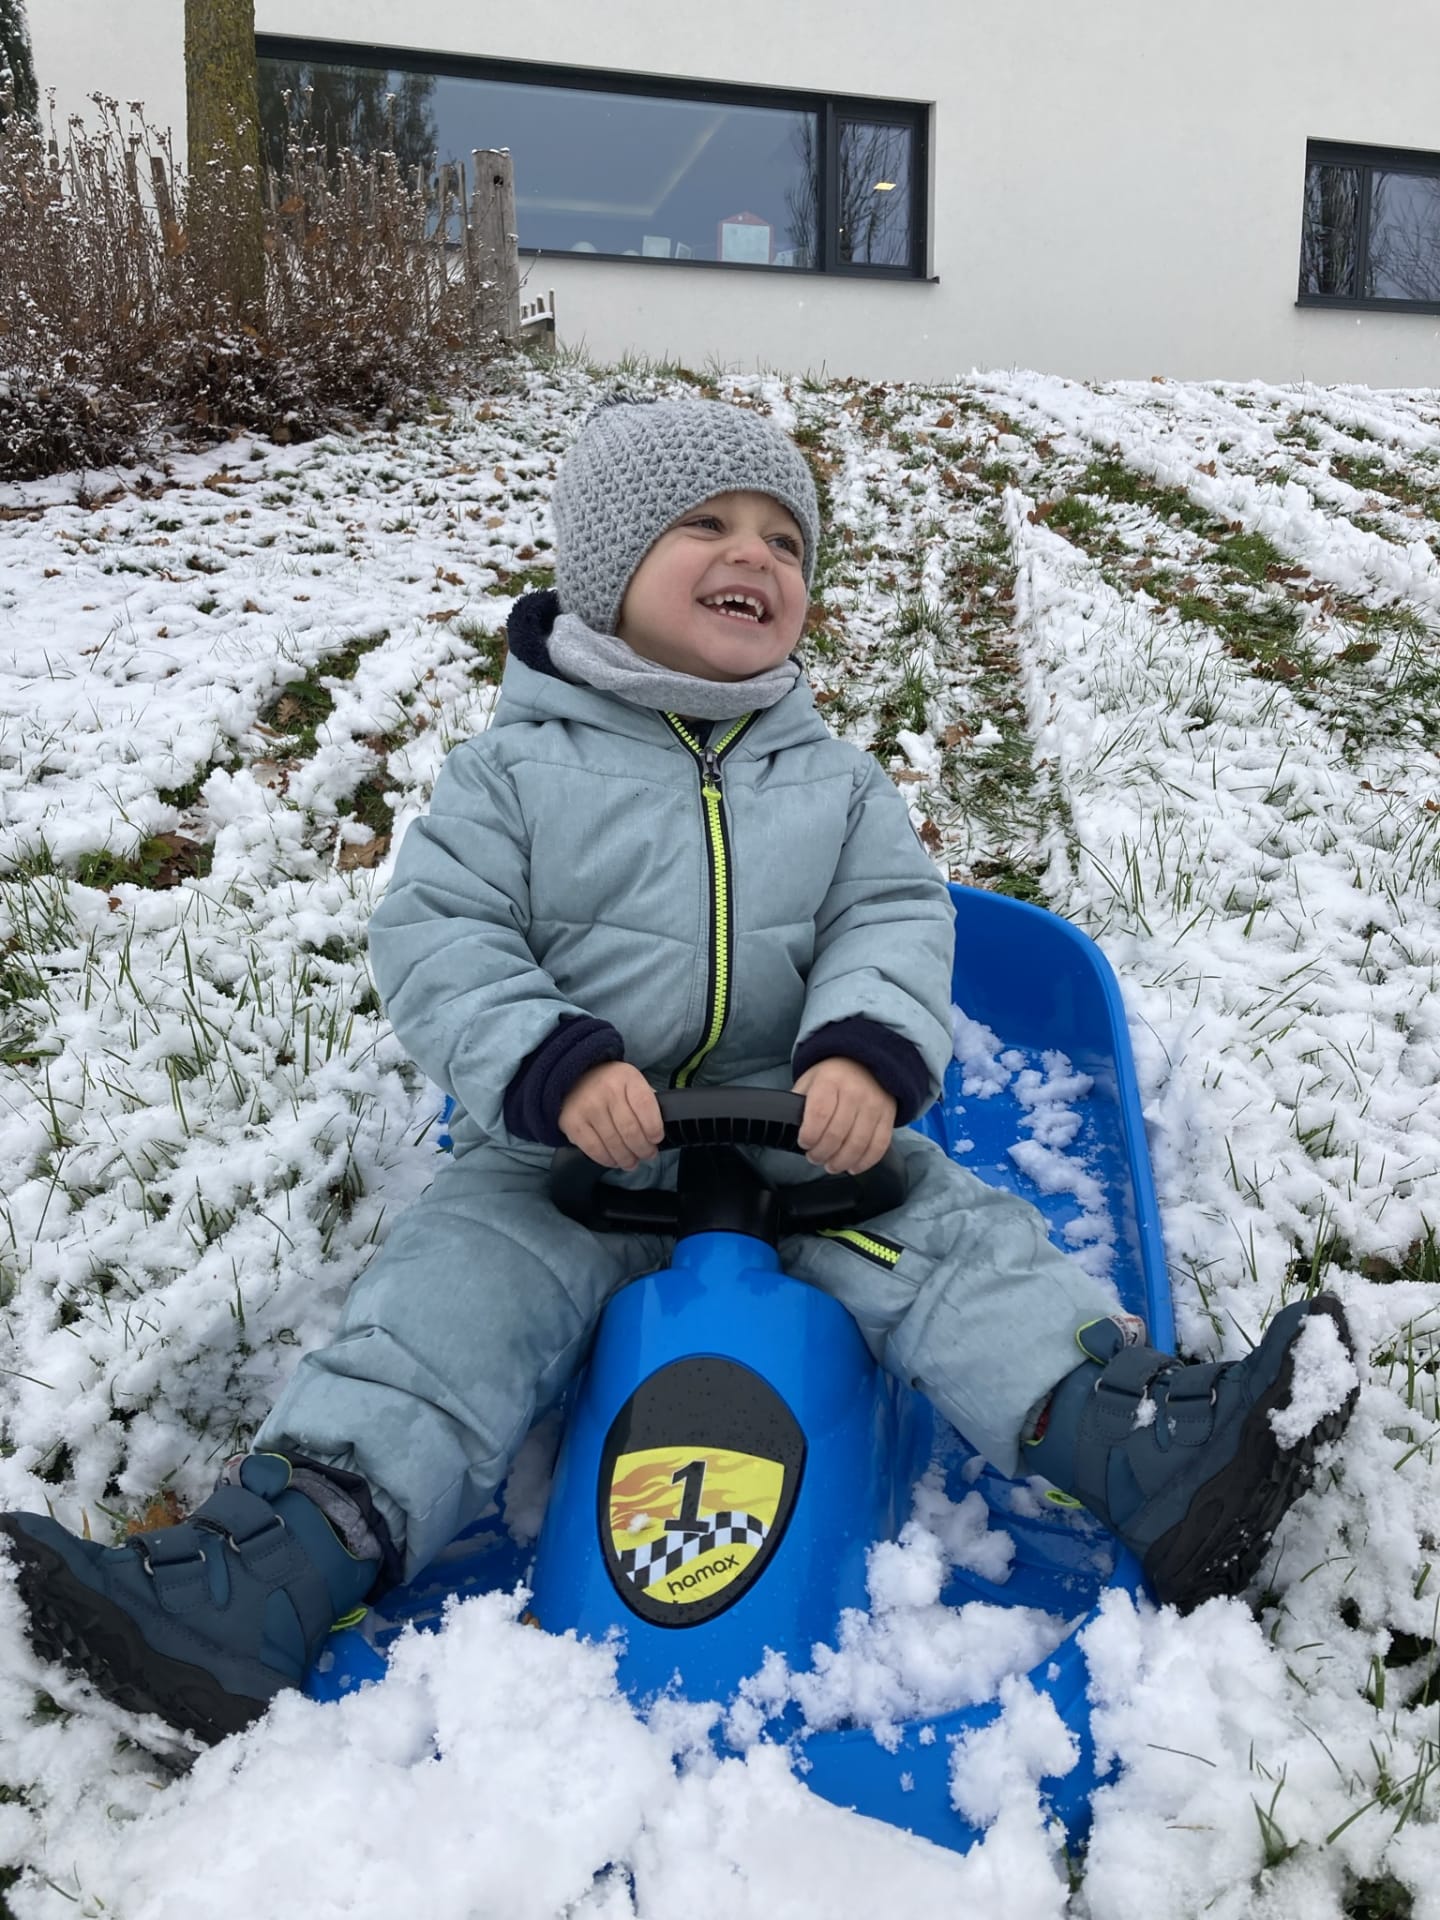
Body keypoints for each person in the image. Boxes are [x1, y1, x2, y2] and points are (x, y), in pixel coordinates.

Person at [0, 398, 1358, 1746]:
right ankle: (272, 1570)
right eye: (706, 525)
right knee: (443, 1313)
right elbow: (440, 933)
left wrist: (863, 1052)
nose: (755, 555)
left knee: (952, 1246)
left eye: (786, 540)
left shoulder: (836, 783)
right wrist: (547, 1059)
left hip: (795, 1132)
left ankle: (1143, 1447)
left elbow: (893, 918)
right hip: (563, 1155)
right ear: (609, 567)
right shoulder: (511, 774)